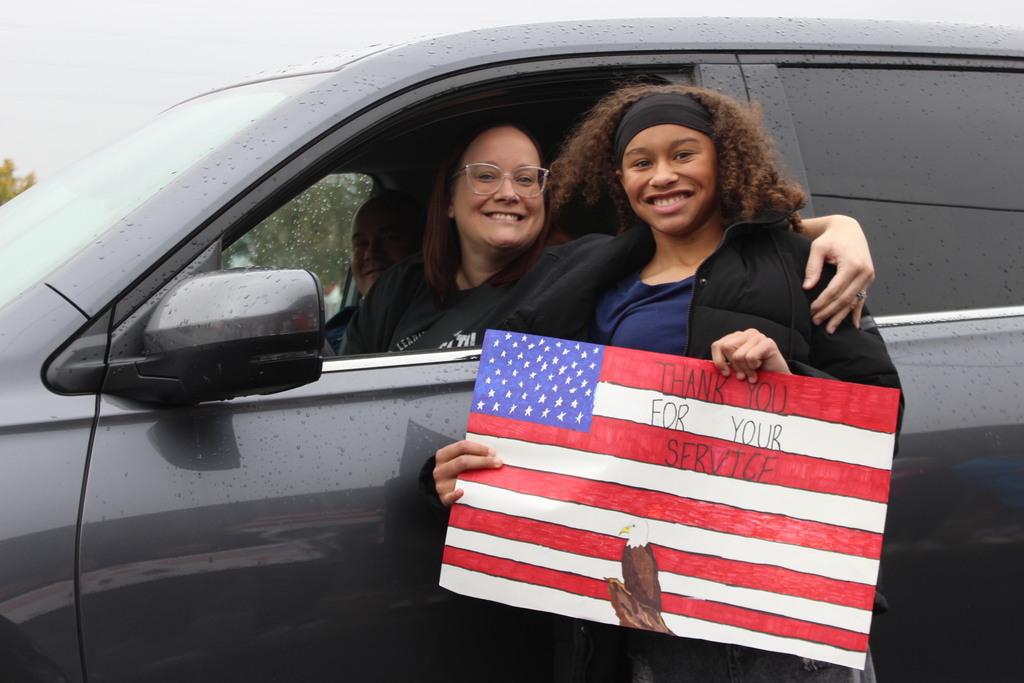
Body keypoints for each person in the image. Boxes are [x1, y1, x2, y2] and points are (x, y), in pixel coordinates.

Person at [430, 85, 902, 682]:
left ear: (723, 161)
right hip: (652, 624)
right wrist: (456, 474)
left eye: (684, 154)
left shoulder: (798, 264)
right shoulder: (588, 278)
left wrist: (789, 382)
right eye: (641, 161)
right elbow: (537, 433)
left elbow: (882, 416)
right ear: (620, 178)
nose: (662, 176)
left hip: (781, 614)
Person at [342, 121, 874, 357]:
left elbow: (693, 238)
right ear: (448, 199)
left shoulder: (581, 269)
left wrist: (835, 227)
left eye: (528, 179)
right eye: (485, 175)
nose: (509, 192)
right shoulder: (398, 288)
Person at [324, 189, 423, 352]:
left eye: (389, 238)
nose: (371, 253)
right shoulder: (338, 327)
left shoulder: (448, 322)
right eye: (361, 244)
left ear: (424, 243)